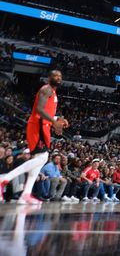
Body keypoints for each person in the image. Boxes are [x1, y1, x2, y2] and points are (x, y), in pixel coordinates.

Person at [0, 70, 69, 205]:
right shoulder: (46, 89)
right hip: (38, 125)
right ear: (49, 78)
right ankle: (4, 179)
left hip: (44, 125)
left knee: (38, 161)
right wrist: (54, 122)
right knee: (43, 158)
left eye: (60, 76)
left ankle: (25, 194)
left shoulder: (53, 92)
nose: (58, 78)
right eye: (55, 76)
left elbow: (46, 112)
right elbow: (39, 110)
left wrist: (57, 119)